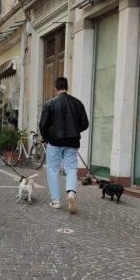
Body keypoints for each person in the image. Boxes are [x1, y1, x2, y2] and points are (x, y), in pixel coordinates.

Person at [39, 77, 89, 214]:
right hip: (72, 141)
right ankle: (71, 192)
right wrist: (74, 130)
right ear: (67, 87)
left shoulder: (49, 104)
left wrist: (45, 138)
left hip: (54, 141)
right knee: (72, 168)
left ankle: (56, 201)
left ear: (55, 88)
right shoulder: (78, 103)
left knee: (53, 170)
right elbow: (85, 123)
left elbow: (43, 124)